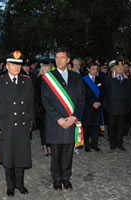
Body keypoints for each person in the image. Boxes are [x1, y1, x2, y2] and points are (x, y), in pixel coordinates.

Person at [0, 50, 35, 196]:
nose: (16, 67)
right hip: (6, 126)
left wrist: (31, 122)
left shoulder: (26, 81)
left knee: (21, 156)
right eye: (13, 64)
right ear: (7, 66)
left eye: (19, 65)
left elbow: (31, 104)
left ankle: (20, 184)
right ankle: (10, 185)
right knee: (9, 158)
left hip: (22, 125)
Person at [41, 47, 85, 191]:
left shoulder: (77, 77)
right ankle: (56, 179)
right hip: (56, 122)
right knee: (56, 153)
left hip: (71, 121)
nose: (59, 60)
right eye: (57, 57)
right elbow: (45, 101)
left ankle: (66, 178)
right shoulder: (48, 78)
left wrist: (74, 117)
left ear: (68, 60)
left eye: (62, 57)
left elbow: (81, 100)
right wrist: (58, 119)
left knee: (68, 152)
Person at [103, 61, 131, 151]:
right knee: (112, 126)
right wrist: (106, 106)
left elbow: (130, 93)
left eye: (122, 67)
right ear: (113, 68)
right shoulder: (108, 78)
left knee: (121, 127)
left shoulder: (127, 78)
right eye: (118, 67)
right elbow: (105, 93)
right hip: (112, 107)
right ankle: (112, 143)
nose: (120, 69)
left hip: (123, 107)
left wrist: (129, 106)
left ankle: (119, 143)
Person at [82, 62, 104, 152]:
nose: (95, 71)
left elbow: (104, 92)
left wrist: (99, 102)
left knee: (96, 127)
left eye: (96, 69)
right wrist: (92, 103)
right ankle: (87, 145)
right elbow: (83, 94)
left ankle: (94, 144)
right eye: (93, 69)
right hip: (88, 107)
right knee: (86, 127)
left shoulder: (100, 79)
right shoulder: (83, 80)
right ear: (88, 69)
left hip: (98, 107)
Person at [36, 64, 51, 156]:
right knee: (43, 129)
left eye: (48, 69)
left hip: (50, 108)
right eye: (45, 69)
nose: (47, 71)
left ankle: (50, 146)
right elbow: (37, 95)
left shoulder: (53, 81)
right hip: (41, 109)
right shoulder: (38, 81)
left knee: (50, 128)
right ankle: (45, 146)